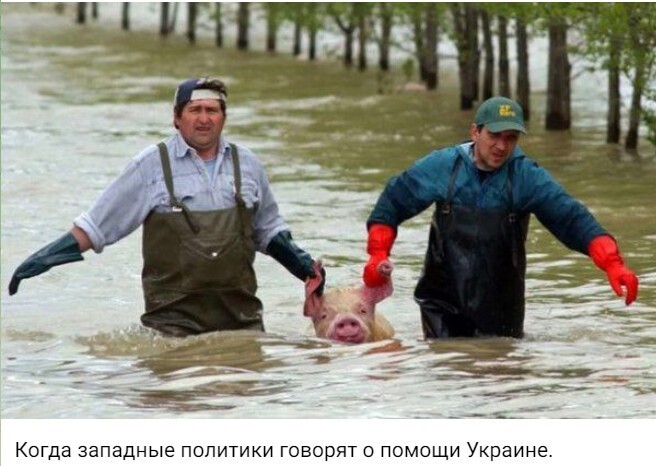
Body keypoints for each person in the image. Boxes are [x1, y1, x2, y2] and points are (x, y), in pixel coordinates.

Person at [9, 77, 324, 337]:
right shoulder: (150, 166)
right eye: (194, 109)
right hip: (172, 329)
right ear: (176, 118)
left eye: (212, 110)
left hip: (242, 324)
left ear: (223, 118)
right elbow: (98, 226)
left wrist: (306, 268)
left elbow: (269, 231)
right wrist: (43, 259)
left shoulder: (249, 165)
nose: (204, 118)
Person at [362, 96, 638, 339]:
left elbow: (571, 218)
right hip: (442, 303)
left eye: (511, 138)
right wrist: (378, 254)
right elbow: (393, 203)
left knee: (502, 381)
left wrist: (613, 264)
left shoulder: (526, 176)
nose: (501, 146)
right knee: (447, 376)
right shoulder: (442, 166)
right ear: (475, 131)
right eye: (494, 135)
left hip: (502, 307)